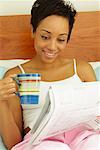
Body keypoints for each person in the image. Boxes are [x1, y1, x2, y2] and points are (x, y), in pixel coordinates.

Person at [0, 0, 99, 149]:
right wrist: (1, 101)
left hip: (83, 136)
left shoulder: (81, 70)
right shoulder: (19, 76)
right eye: (45, 37)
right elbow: (14, 142)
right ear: (33, 31)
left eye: (61, 39)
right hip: (42, 142)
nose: (52, 47)